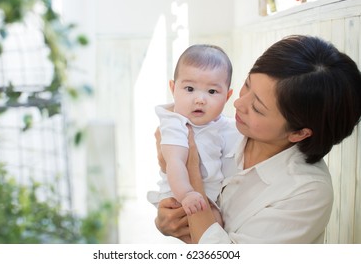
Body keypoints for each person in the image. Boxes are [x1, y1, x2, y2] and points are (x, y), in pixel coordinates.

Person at [153, 35, 361, 244]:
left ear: (299, 132)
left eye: (257, 108)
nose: (238, 103)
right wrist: (168, 219)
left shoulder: (306, 192)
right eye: (247, 85)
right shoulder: (225, 132)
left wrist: (192, 170)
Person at [147, 44, 233, 223]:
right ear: (173, 88)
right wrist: (186, 194)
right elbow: (175, 161)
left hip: (209, 194)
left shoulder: (222, 123)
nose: (200, 99)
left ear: (227, 96)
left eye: (212, 91)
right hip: (179, 195)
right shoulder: (175, 124)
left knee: (219, 227)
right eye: (189, 89)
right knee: (214, 224)